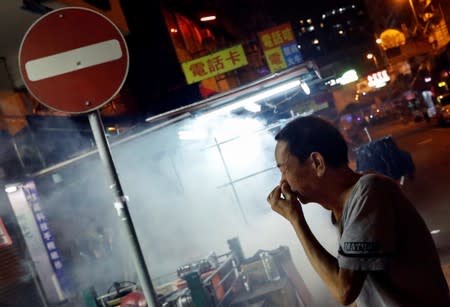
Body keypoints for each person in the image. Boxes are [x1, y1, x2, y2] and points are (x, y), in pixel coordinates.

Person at [267, 116, 450, 306]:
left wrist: (296, 219)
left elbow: (344, 290)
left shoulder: (370, 192)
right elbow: (359, 290)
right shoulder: (344, 207)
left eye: (284, 169)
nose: (282, 183)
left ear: (317, 163)